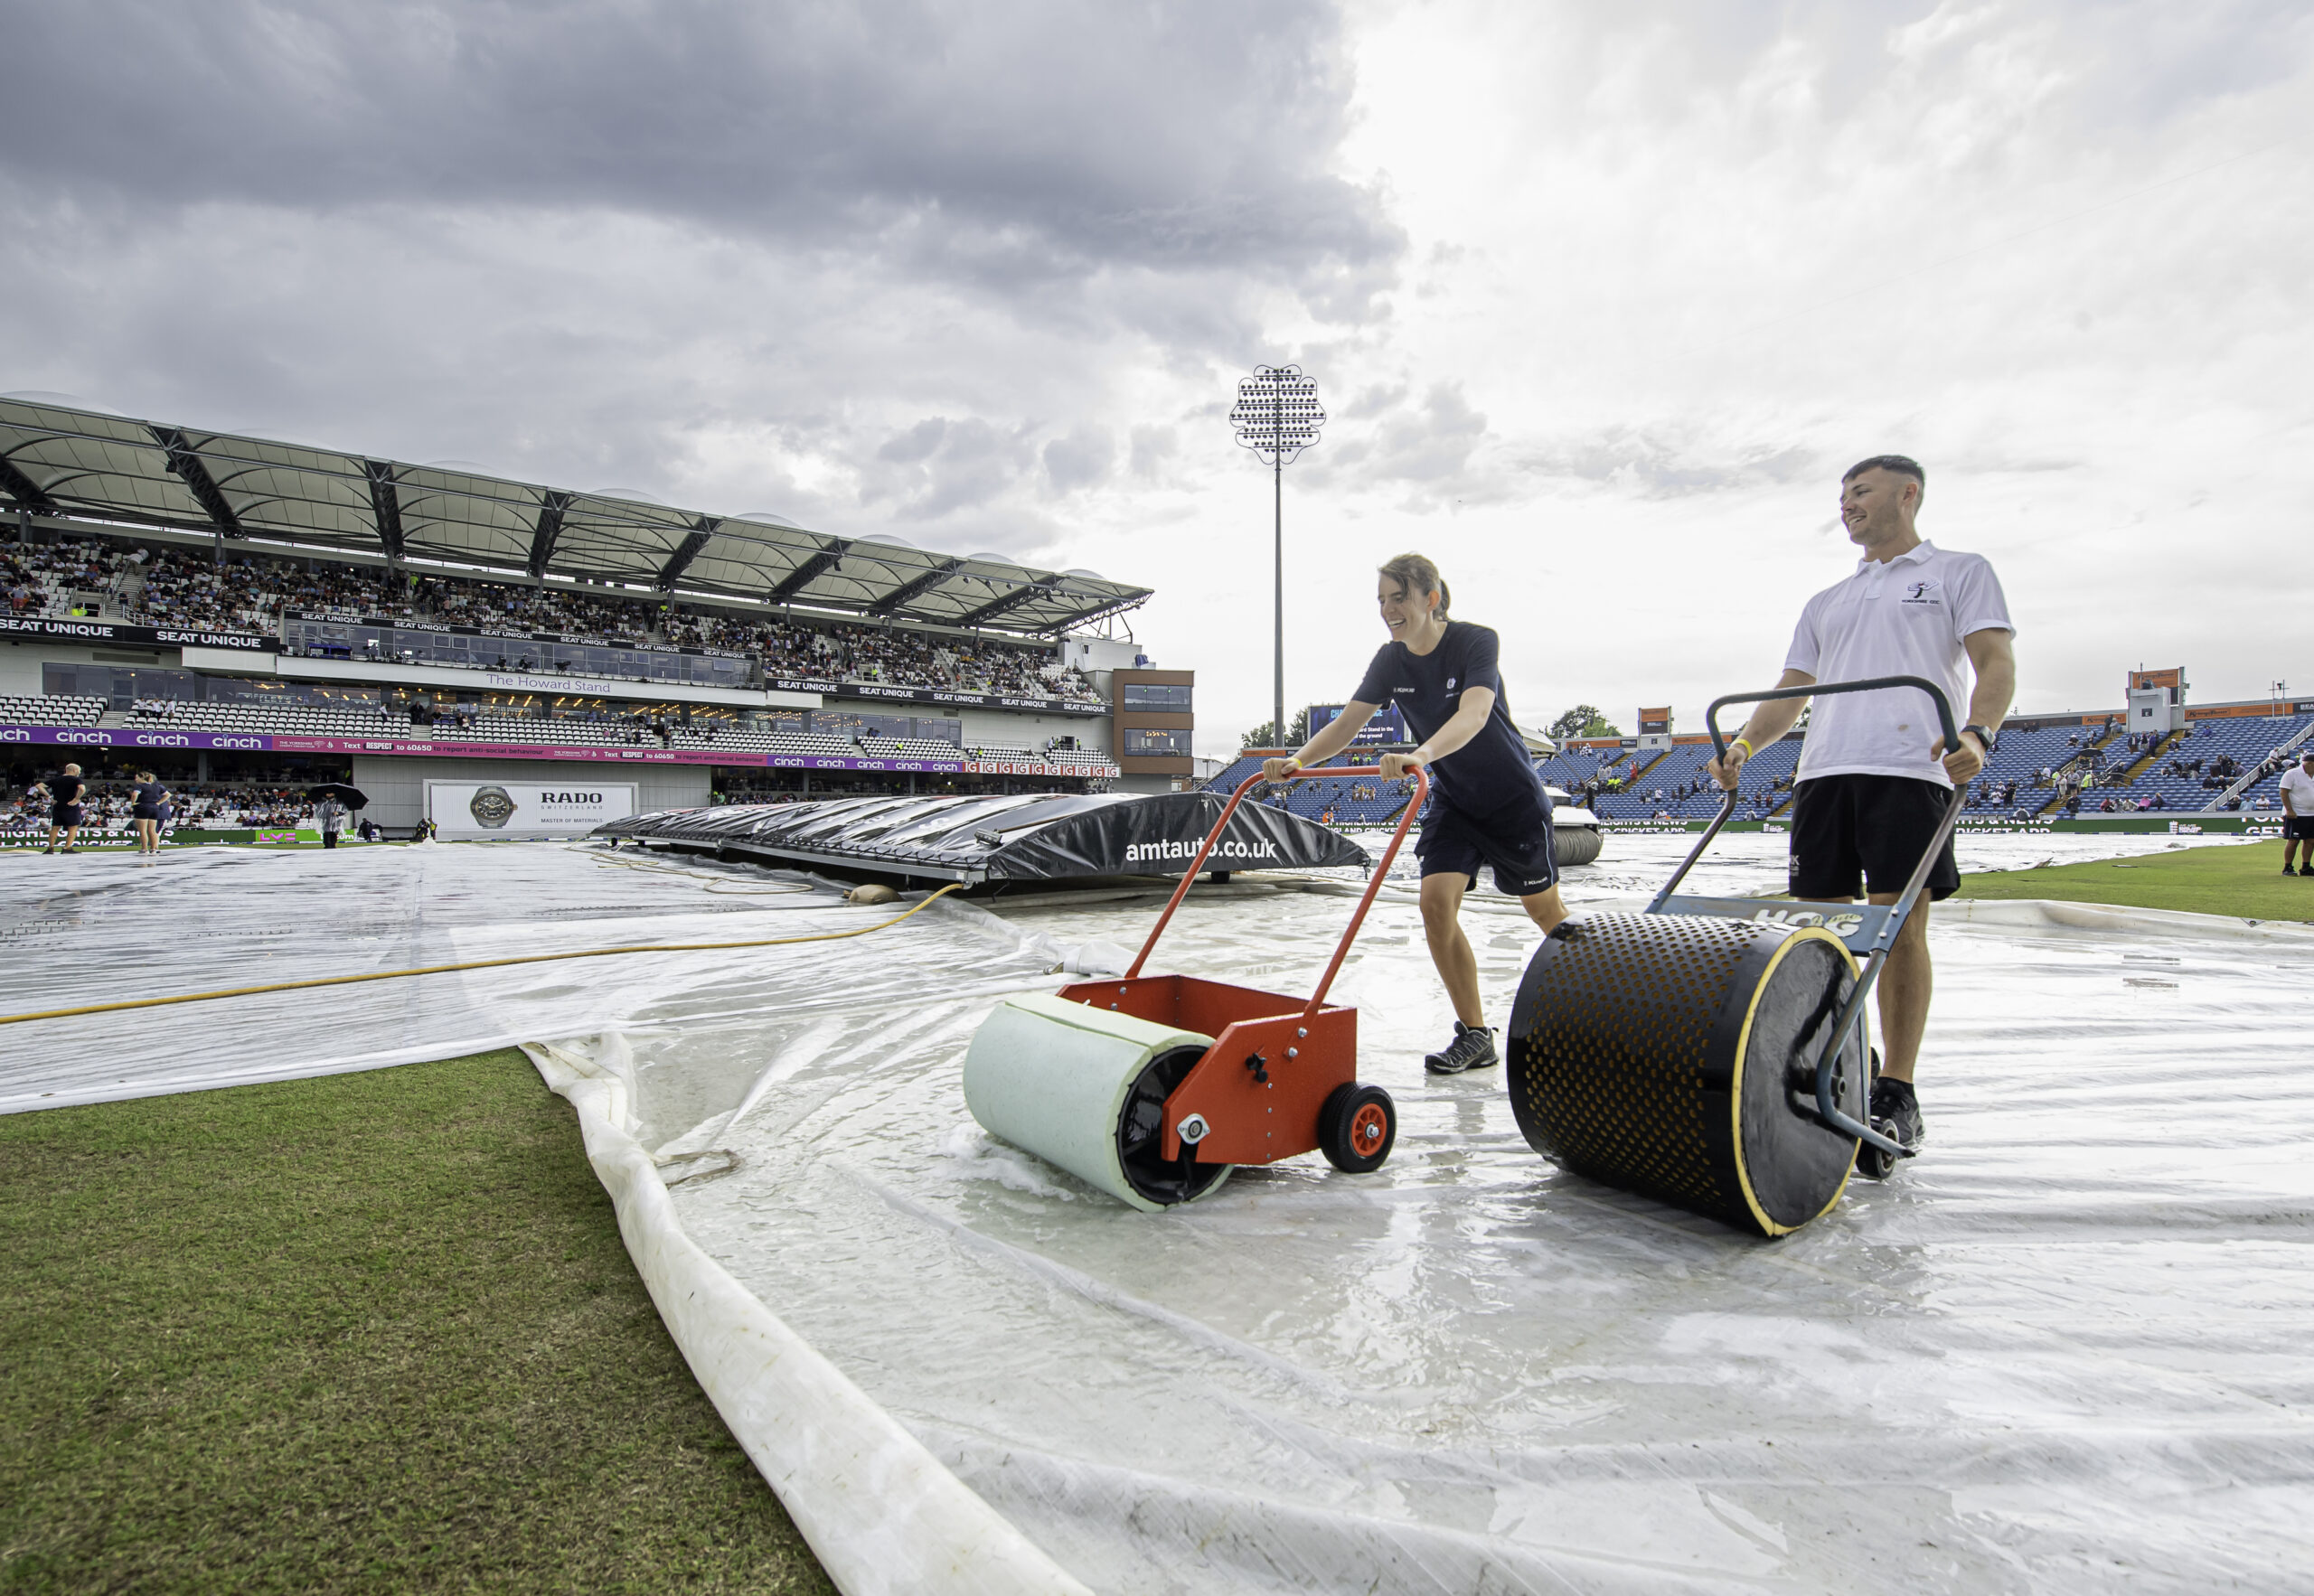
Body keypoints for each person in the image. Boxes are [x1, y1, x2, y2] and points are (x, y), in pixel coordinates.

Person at [1708, 455, 2016, 1177]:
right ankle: (1848, 1057)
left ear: (1908, 494)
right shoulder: (1827, 601)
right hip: (1824, 773)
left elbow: (1994, 663)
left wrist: (1977, 734)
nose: (1847, 503)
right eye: (1842, 494)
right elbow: (1791, 689)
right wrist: (1747, 743)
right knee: (1824, 934)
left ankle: (1898, 1087)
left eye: (1861, 491)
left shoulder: (1957, 572)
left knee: (1900, 928)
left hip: (1908, 769)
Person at [1262, 552, 1566, 1076]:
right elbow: (1347, 726)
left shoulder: (1476, 641)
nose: (1387, 609)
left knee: (1545, 915)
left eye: (1397, 597)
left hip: (1512, 799)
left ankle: (1603, 1001)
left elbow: (1473, 714)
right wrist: (1297, 759)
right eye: (1381, 600)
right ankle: (1475, 1034)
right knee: (1434, 903)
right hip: (1455, 800)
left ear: (1430, 598)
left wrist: (1421, 754)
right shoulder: (1390, 660)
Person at [2280, 749, 2314, 875]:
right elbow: (2284, 792)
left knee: (2311, 840)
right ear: (2309, 763)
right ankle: (2288, 867)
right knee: (2294, 840)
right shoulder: (2292, 774)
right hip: (2296, 813)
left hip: (2311, 813)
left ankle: (2306, 866)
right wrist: (2289, 810)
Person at [43, 763, 86, 855]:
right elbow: (82, 789)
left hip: (58, 806)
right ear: (74, 770)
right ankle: (67, 847)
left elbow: (39, 786)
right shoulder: (76, 779)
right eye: (79, 770)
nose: (79, 772)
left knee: (55, 827)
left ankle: (50, 848)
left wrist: (49, 797)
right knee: (73, 827)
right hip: (71, 806)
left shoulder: (56, 779)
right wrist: (76, 798)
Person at [128, 768, 171, 856]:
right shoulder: (156, 785)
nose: (136, 779)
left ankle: (144, 848)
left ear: (142, 778)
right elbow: (168, 794)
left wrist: (133, 803)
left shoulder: (140, 785)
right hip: (154, 807)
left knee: (143, 830)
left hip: (143, 807)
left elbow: (135, 794)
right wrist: (158, 803)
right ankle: (154, 848)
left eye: (137, 778)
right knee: (152, 830)